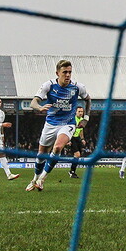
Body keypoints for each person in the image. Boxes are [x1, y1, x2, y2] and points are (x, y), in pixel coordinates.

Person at [26, 60, 91, 192]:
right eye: (64, 72)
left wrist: (85, 119)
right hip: (50, 123)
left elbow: (88, 99)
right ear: (57, 73)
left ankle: (42, 179)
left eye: (70, 72)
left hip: (68, 124)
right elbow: (33, 102)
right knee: (41, 154)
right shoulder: (48, 85)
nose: (67, 75)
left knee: (57, 147)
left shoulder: (77, 87)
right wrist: (40, 107)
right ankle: (34, 179)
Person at [68, 106, 89, 179]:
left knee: (78, 156)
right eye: (79, 111)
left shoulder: (82, 120)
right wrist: (68, 140)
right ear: (76, 112)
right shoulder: (72, 119)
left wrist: (82, 139)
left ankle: (72, 171)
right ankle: (72, 172)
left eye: (82, 112)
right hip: (71, 137)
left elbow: (81, 130)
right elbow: (68, 129)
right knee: (77, 154)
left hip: (77, 138)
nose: (80, 113)